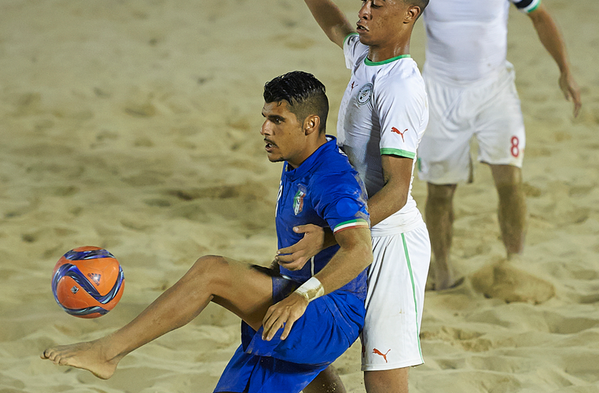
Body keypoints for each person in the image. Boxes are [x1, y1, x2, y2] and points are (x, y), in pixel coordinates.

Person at [41, 71, 374, 393]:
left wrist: (302, 297)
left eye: (277, 120)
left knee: (212, 272)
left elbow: (360, 249)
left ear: (310, 124)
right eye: (265, 117)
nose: (264, 129)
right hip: (301, 303)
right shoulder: (299, 160)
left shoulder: (332, 178)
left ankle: (108, 352)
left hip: (327, 314)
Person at [278, 1, 431, 392]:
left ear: (408, 15)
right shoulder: (365, 55)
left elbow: (397, 191)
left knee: (382, 380)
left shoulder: (400, 85)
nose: (363, 10)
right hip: (350, 232)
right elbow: (334, 25)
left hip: (388, 243)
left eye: (376, 5)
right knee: (296, 345)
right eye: (364, 1)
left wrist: (329, 237)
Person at [417, 0, 582, 290]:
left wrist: (565, 70)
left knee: (509, 179)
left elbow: (540, 16)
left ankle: (514, 262)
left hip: (494, 90)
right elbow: (395, 22)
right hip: (439, 91)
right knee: (440, 190)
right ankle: (443, 271)